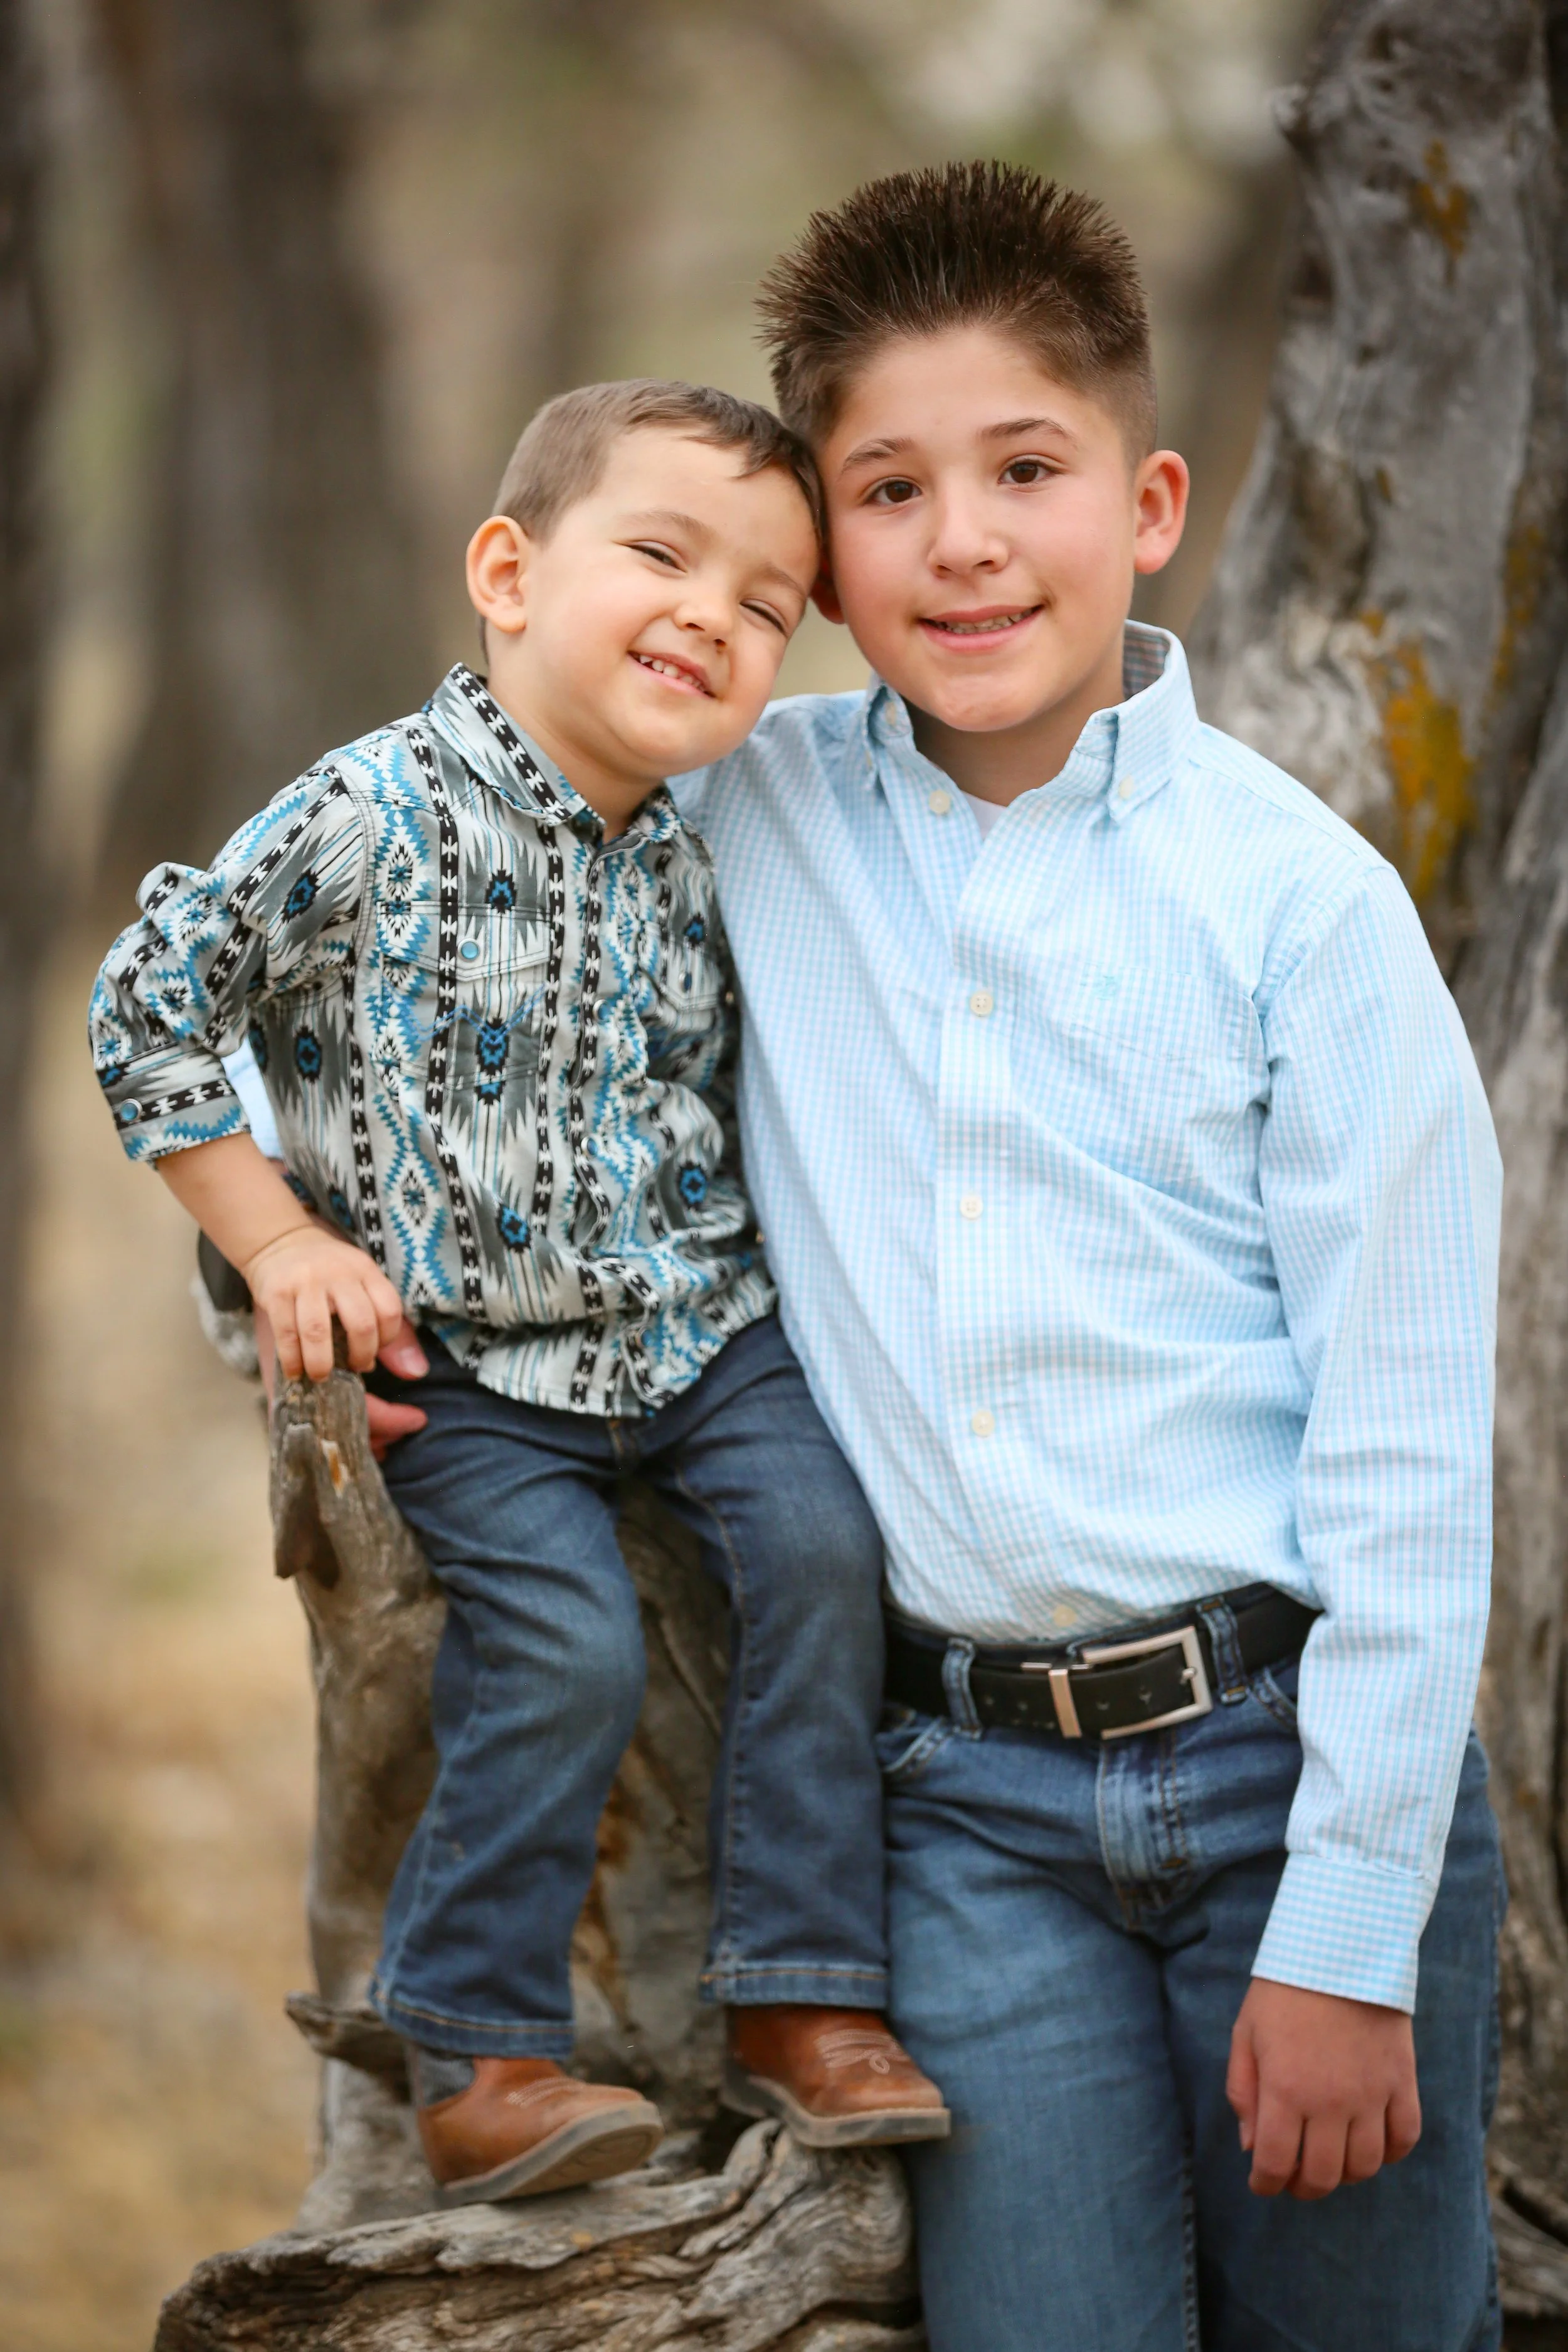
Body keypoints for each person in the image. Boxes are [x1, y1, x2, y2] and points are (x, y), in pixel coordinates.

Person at [672, 164, 1505, 2351]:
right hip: (960, 1806)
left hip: (1291, 1764)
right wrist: (279, 1244)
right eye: (887, 486)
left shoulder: (1297, 909)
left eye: (1020, 468)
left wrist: (1347, 1922)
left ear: (1144, 501)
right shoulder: (738, 815)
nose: (960, 539)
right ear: (818, 558)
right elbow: (403, 910)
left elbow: (1409, 1457)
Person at [88, 378, 949, 2207]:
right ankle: (476, 2051)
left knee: (818, 1553)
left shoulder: (721, 830)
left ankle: (802, 1995)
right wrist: (275, 1248)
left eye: (765, 603)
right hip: (463, 1363)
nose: (713, 614)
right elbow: (148, 1005)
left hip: (699, 1336)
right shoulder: (365, 814)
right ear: (505, 567)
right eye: (661, 553)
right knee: (562, 1639)